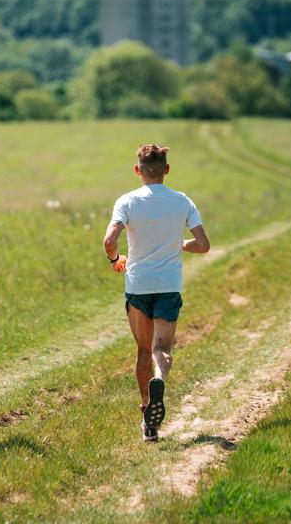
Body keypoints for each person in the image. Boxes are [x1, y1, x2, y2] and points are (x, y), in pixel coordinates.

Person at [103, 144, 210, 441]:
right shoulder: (182, 201)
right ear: (167, 169)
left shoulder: (127, 201)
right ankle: (159, 380)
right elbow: (203, 245)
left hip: (138, 285)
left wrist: (116, 260)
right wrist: (180, 245)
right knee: (162, 349)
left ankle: (148, 417)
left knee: (142, 350)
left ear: (138, 170)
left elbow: (109, 241)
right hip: (168, 285)